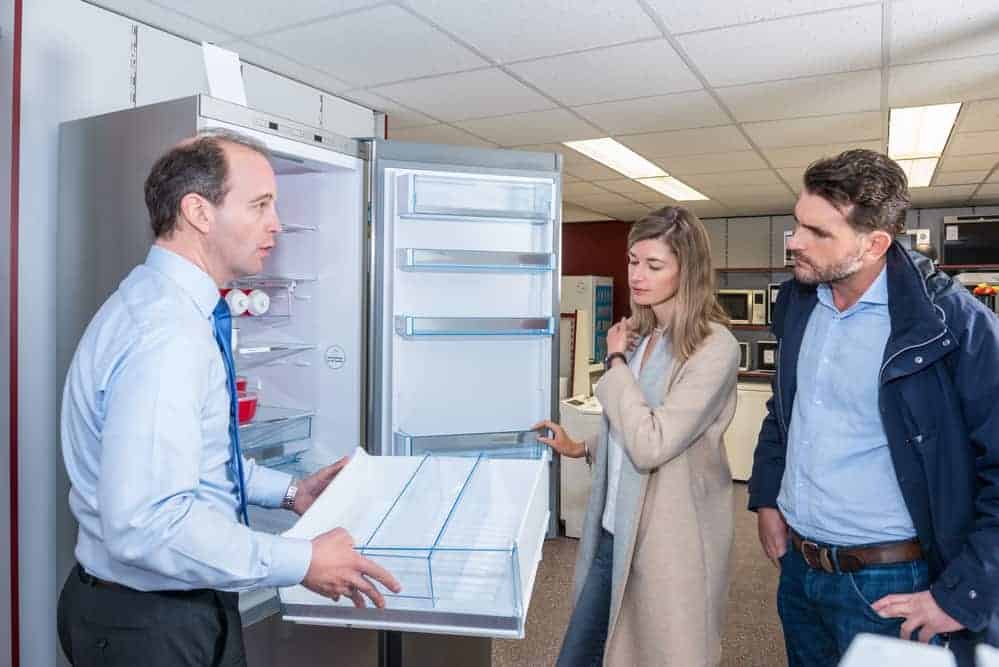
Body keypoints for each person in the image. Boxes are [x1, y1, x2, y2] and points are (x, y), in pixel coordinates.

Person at [57, 130, 400, 666]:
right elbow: (145, 525)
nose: (277, 224)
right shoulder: (165, 334)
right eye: (260, 204)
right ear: (199, 211)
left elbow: (197, 457)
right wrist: (300, 559)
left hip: (167, 608)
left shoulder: (170, 310)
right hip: (149, 625)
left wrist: (290, 493)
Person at [748, 149, 999, 666]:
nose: (794, 242)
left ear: (874, 244)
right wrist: (767, 496)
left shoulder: (955, 326)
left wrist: (964, 593)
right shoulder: (799, 299)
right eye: (797, 224)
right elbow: (785, 411)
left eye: (818, 233)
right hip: (800, 569)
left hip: (892, 583)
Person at [536, 206, 739, 666]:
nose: (637, 276)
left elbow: (652, 443)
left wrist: (614, 363)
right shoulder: (647, 337)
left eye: (654, 265)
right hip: (614, 533)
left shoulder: (713, 346)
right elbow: (631, 427)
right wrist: (581, 446)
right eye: (633, 261)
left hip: (666, 543)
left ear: (687, 271)